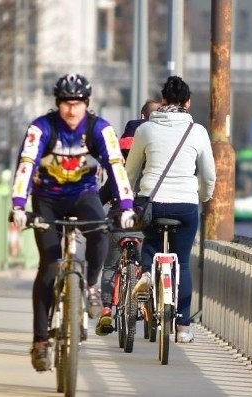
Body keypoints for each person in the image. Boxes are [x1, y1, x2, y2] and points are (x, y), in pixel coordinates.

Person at [9, 73, 136, 372]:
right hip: (47, 200)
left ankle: (90, 286)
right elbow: (26, 165)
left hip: (83, 195)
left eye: (77, 103)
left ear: (86, 104)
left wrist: (126, 205)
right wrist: (18, 205)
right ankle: (41, 341)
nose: (71, 110)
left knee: (101, 232)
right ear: (58, 104)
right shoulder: (41, 128)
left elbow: (116, 167)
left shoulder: (99, 129)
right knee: (50, 266)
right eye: (66, 103)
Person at [125, 76, 216, 343]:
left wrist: (128, 197)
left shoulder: (145, 130)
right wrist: (202, 196)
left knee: (151, 245)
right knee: (183, 263)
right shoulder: (198, 132)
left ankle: (146, 275)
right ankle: (184, 328)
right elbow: (209, 175)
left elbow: (130, 171)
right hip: (186, 204)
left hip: (152, 201)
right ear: (188, 102)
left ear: (162, 101)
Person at [95, 99, 161, 336]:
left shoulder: (119, 154)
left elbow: (105, 192)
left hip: (118, 219)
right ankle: (151, 303)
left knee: (111, 267)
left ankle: (105, 310)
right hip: (145, 220)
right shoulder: (157, 150)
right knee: (151, 260)